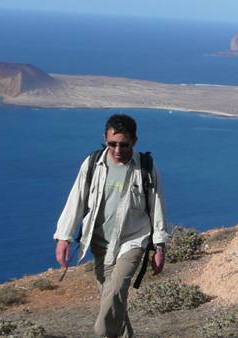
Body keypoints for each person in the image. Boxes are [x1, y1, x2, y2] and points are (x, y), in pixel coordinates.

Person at [54, 114, 168, 338]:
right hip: (99, 243)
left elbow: (157, 207)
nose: (117, 150)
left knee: (116, 290)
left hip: (133, 240)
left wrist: (160, 246)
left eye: (123, 144)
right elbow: (75, 199)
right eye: (112, 144)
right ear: (104, 140)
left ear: (134, 141)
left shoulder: (146, 168)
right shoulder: (92, 164)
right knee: (113, 300)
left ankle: (101, 332)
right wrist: (63, 237)